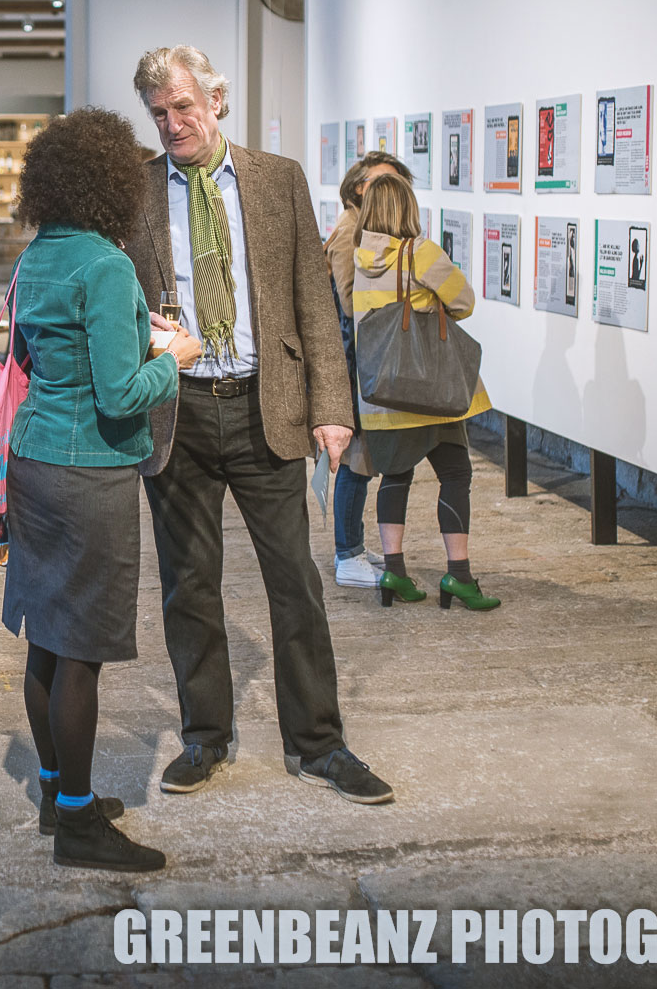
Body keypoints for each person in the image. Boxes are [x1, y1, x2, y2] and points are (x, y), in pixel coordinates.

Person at [128, 45, 392, 806]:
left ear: (216, 97)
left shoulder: (277, 179)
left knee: (296, 583)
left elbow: (314, 295)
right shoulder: (140, 192)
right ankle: (205, 737)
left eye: (181, 107)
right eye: (157, 113)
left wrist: (333, 406)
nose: (171, 124)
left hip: (263, 406)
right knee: (188, 587)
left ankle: (318, 742)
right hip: (176, 407)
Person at [2, 108, 203, 872]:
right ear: (114, 182)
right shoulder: (108, 264)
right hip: (90, 472)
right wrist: (174, 355)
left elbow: (28, 352)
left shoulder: (38, 256)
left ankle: (58, 792)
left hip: (33, 460)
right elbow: (123, 394)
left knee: (47, 638)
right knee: (80, 648)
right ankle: (81, 825)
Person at [351, 175, 499, 612]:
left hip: (382, 395)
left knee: (395, 477)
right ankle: (459, 575)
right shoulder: (421, 253)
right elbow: (464, 302)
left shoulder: (360, 261)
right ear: (407, 208)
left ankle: (394, 570)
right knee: (455, 475)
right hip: (429, 394)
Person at [322, 151, 411, 589]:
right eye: (382, 181)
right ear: (360, 187)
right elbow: (350, 301)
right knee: (355, 459)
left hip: (361, 357)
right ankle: (347, 552)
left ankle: (352, 546)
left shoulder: (365, 228)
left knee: (363, 458)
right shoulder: (350, 228)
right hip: (352, 359)